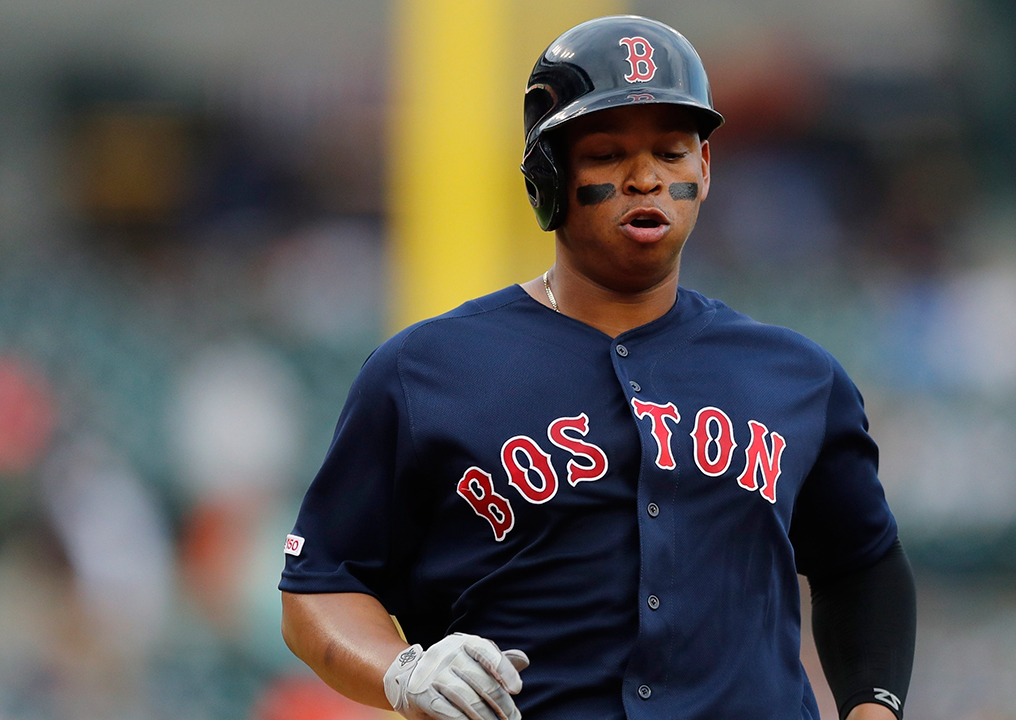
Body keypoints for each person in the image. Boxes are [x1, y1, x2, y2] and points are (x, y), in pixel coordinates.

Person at [280, 15, 915, 720]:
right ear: (549, 175)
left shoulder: (796, 375)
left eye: (673, 152)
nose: (646, 178)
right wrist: (402, 671)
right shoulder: (424, 370)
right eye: (608, 154)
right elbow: (319, 586)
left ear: (704, 171)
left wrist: (873, 710)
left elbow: (863, 564)